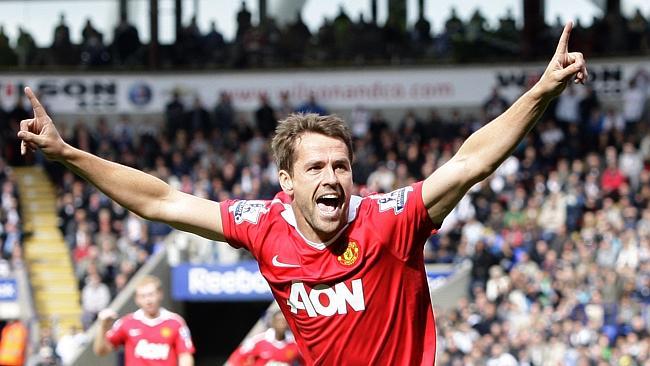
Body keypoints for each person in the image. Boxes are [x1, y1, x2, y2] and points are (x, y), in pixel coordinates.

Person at [18, 22, 587, 365]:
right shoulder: (263, 226)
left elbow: (469, 161)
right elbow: (162, 201)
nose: (332, 177)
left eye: (341, 165)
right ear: (287, 183)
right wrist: (69, 155)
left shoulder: (391, 219)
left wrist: (541, 89)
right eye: (315, 167)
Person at [92, 275, 195, 365]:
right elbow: (101, 351)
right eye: (143, 296)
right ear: (137, 299)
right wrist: (102, 326)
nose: (148, 300)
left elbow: (185, 355)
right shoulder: (127, 322)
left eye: (151, 294)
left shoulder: (175, 322)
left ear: (160, 294)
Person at [227, 310, 303, 366]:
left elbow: (305, 361)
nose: (282, 325)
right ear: (273, 322)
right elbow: (237, 357)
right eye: (279, 321)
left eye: (284, 322)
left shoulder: (294, 343)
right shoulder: (258, 340)